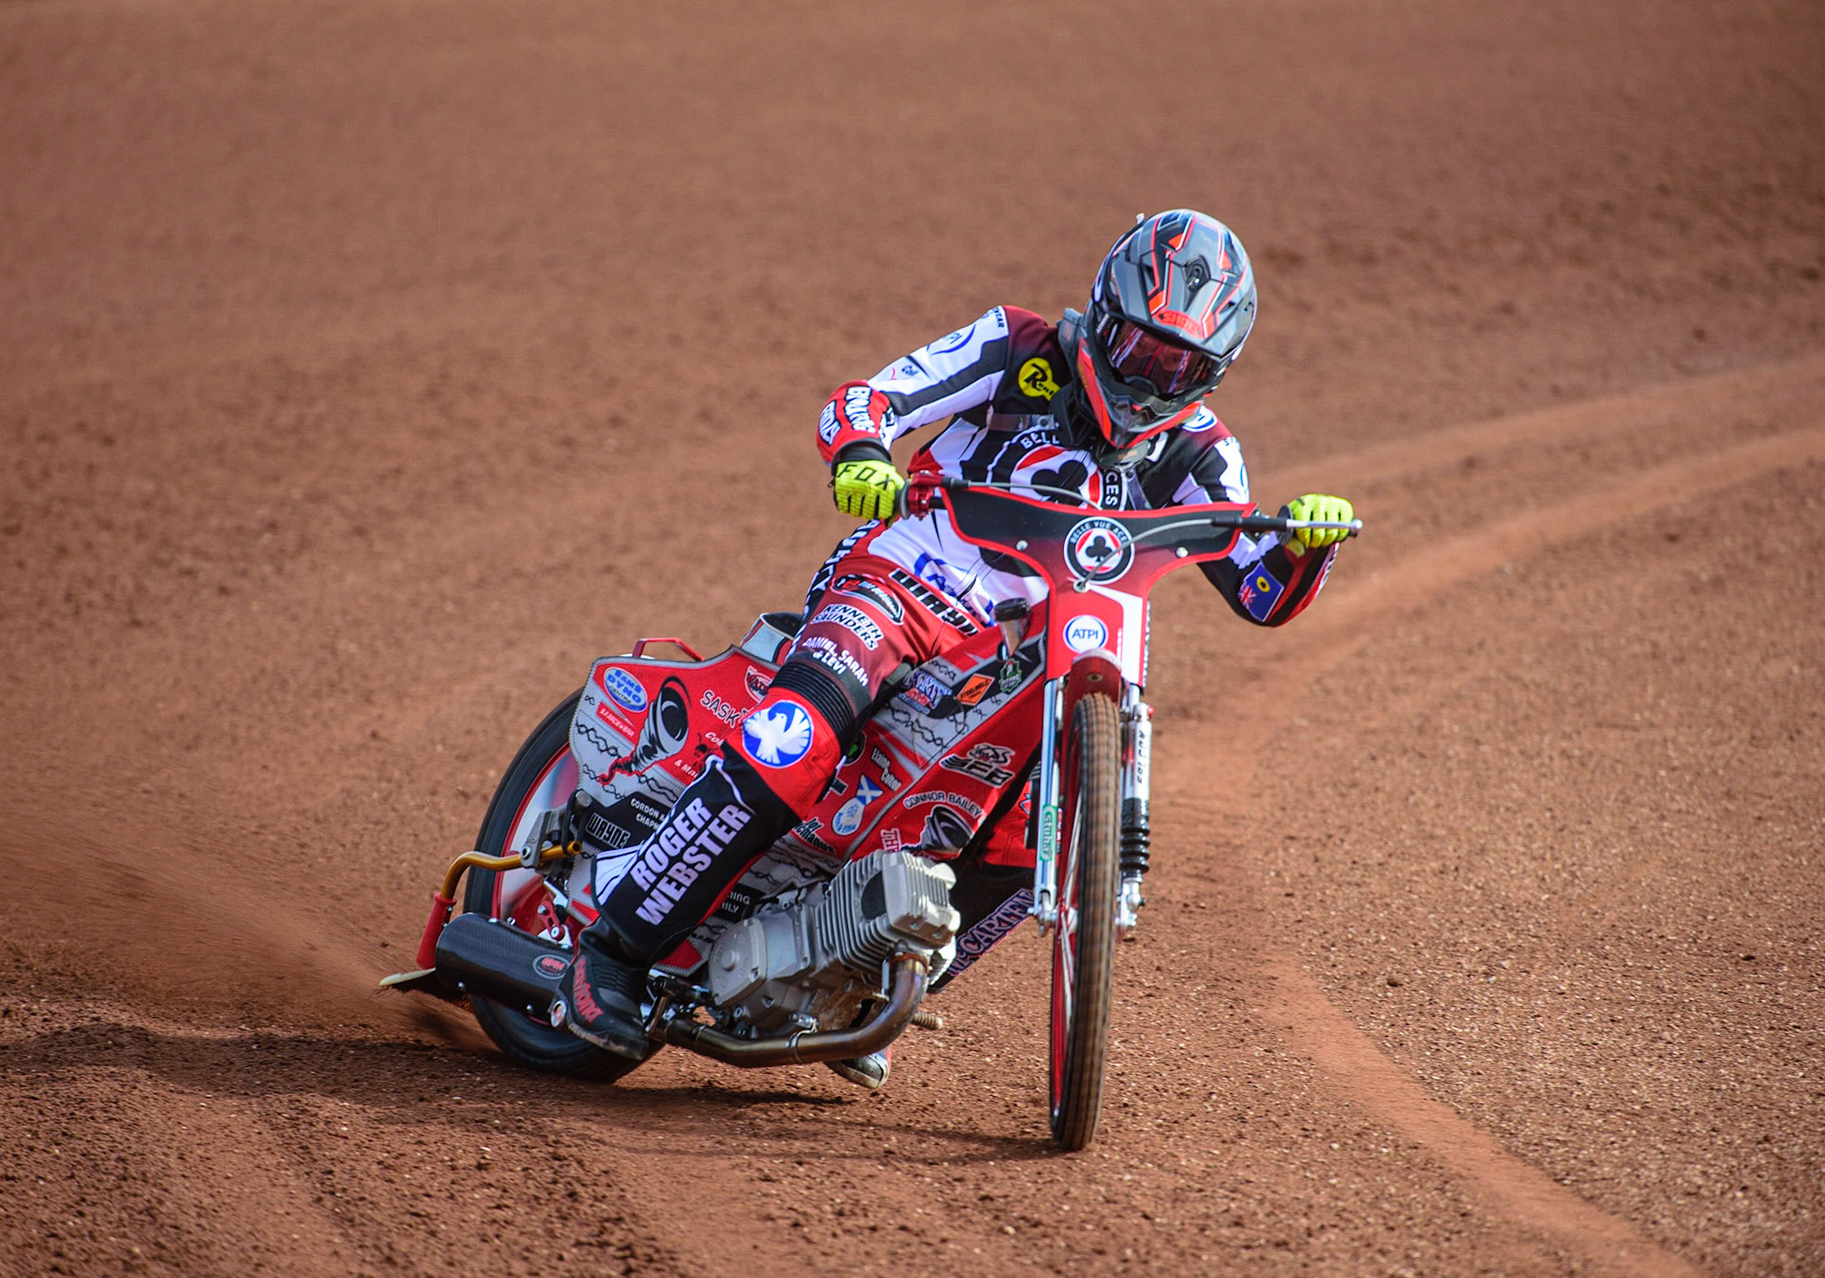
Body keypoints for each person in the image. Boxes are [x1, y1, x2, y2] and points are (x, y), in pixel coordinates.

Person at [556, 209, 1355, 1085]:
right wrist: (863, 455)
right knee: (797, 740)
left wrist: (1303, 546)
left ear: (1213, 373)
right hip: (901, 586)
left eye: (1179, 365)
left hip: (1021, 657)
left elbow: (1259, 589)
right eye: (1136, 347)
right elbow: (870, 400)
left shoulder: (1204, 451)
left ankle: (862, 979)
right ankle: (610, 955)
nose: (1148, 377)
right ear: (1102, 306)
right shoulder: (1018, 347)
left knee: (1020, 848)